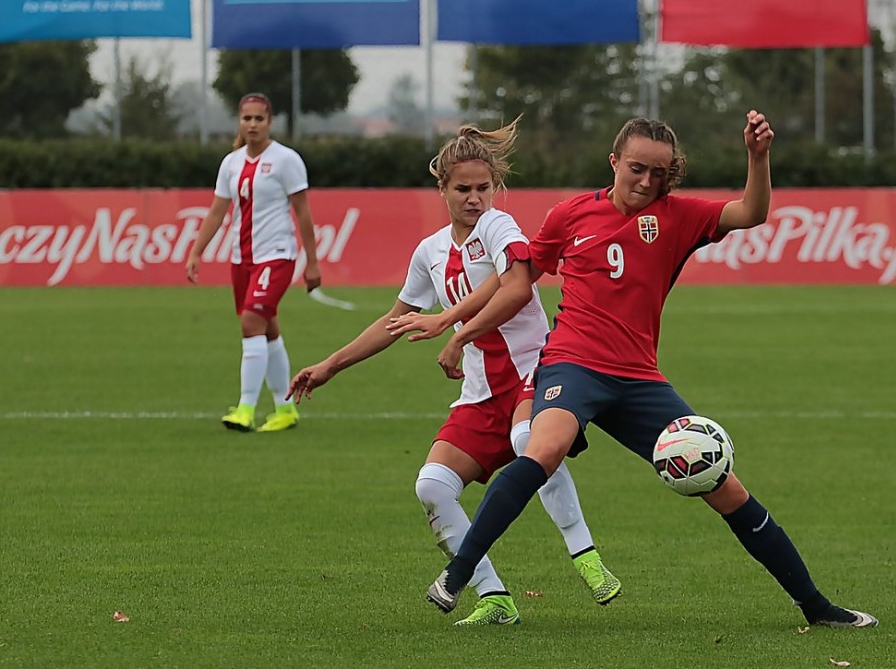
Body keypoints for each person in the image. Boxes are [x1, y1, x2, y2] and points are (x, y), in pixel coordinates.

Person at [417, 111, 878, 629]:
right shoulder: (569, 215)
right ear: (613, 161)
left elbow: (750, 211)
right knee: (542, 448)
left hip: (639, 380)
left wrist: (757, 155)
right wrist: (458, 325)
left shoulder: (678, 216)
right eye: (637, 168)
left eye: (659, 172)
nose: (646, 181)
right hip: (573, 361)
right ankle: (459, 575)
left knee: (725, 486)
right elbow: (513, 281)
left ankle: (816, 607)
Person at [287, 121, 622, 627]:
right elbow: (396, 320)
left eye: (483, 187)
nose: (474, 198)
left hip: (537, 368)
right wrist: (330, 364)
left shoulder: (498, 226)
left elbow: (514, 284)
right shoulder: (429, 252)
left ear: (495, 188)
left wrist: (453, 327)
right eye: (462, 189)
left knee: (529, 437)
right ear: (441, 188)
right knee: (433, 487)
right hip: (481, 389)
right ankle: (494, 598)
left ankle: (586, 556)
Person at [185, 92, 321, 433]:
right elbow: (218, 210)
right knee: (266, 328)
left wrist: (312, 263)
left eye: (259, 118)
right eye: (247, 118)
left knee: (250, 323)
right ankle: (285, 409)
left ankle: (245, 408)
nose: (253, 124)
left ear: (269, 121)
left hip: (276, 256)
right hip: (241, 259)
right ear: (239, 122)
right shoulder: (231, 163)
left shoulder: (287, 160)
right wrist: (197, 252)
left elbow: (303, 212)